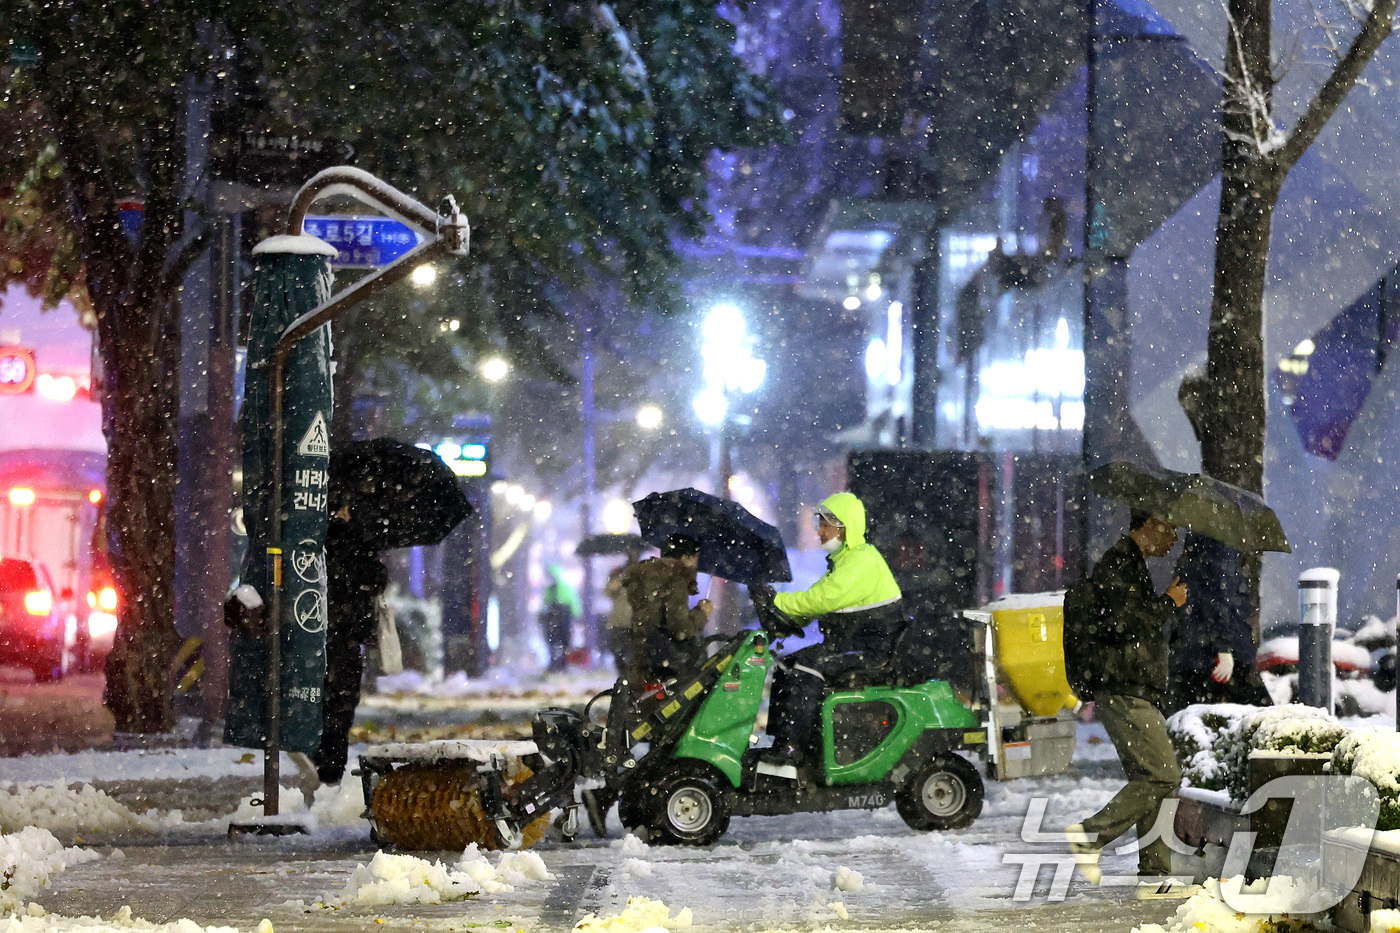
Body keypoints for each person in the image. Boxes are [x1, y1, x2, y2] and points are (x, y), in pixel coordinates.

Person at [1064, 510, 1197, 900]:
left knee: (1151, 781)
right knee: (1163, 777)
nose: (1173, 539)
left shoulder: (1129, 566)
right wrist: (1168, 604)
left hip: (1133, 687)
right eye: (1169, 528)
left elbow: (1129, 622)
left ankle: (1155, 877)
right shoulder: (1118, 564)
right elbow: (1124, 625)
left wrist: (1162, 604)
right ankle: (1091, 835)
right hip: (1124, 688)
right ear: (1149, 525)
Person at [759, 492, 902, 772]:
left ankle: (793, 751)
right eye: (819, 523)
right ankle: (780, 743)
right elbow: (816, 602)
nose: (819, 531)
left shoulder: (861, 561)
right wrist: (788, 620)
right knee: (786, 666)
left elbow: (824, 599)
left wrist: (777, 602)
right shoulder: (844, 560)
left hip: (872, 651)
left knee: (807, 667)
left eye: (826, 524)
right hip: (851, 644)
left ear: (845, 526)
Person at [313, 508, 389, 785]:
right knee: (341, 707)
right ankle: (331, 768)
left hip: (317, 634)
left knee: (322, 701)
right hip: (346, 638)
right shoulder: (358, 542)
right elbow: (377, 579)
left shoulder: (313, 540)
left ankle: (320, 760)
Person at [1167, 531, 1271, 713]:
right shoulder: (1219, 544)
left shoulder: (1196, 542)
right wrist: (1224, 647)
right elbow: (1218, 597)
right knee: (1264, 717)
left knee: (1185, 715)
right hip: (1218, 648)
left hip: (1195, 647)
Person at [618, 536, 712, 685]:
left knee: (646, 703)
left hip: (644, 655)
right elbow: (680, 628)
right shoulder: (675, 578)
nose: (697, 563)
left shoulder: (645, 575)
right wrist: (701, 612)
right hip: (668, 664)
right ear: (685, 557)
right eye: (695, 557)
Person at [604, 551, 641, 675]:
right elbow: (608, 591)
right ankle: (624, 677)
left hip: (635, 621)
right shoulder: (618, 573)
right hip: (619, 621)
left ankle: (630, 678)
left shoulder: (643, 573)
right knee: (618, 652)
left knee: (633, 655)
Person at [541, 564, 580, 673]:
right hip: (558, 618)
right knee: (557, 642)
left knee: (561, 642)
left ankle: (562, 663)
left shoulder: (563, 588)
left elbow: (573, 603)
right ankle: (558, 663)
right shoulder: (553, 589)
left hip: (562, 617)